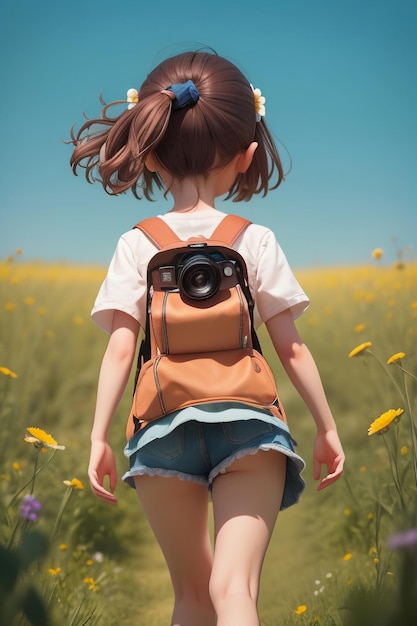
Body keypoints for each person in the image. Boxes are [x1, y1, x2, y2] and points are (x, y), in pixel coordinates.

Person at [69, 50, 345, 626]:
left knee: (191, 598)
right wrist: (327, 426)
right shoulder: (256, 239)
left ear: (148, 153)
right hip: (251, 425)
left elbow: (121, 347)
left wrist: (97, 436)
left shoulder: (136, 244)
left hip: (161, 427)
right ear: (247, 156)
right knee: (235, 591)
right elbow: (291, 345)